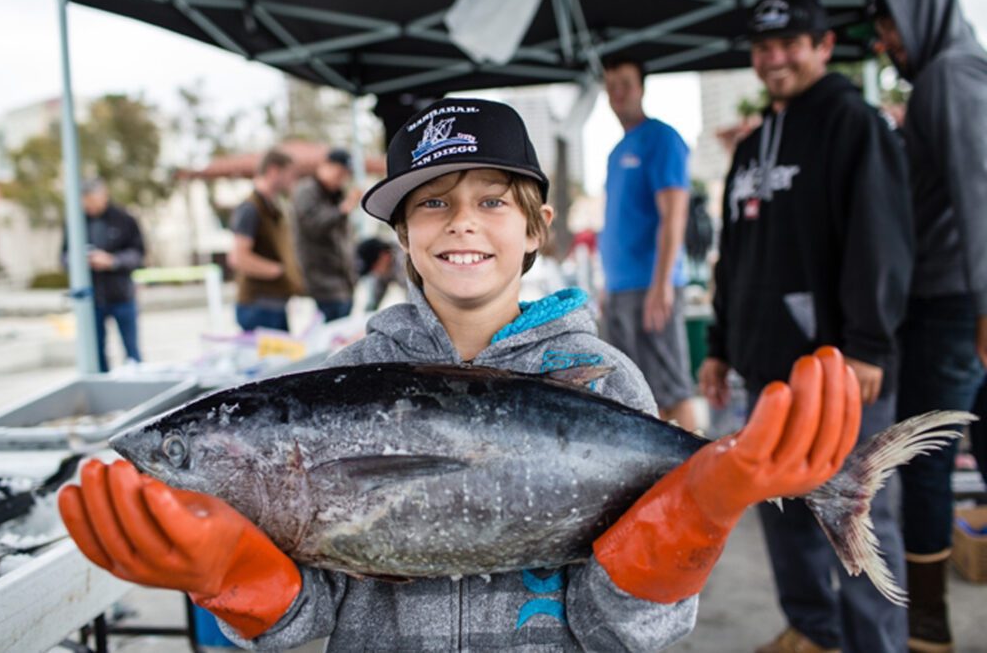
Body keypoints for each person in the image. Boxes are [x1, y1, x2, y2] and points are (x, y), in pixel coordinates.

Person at [58, 98, 860, 652]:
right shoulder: (345, 377)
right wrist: (234, 578)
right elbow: (308, 622)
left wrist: (694, 514)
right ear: (402, 236)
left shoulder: (600, 375)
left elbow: (625, 630)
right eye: (432, 205)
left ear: (539, 227)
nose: (463, 221)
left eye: (492, 200)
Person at [698, 0, 914, 653]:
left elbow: (881, 239)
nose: (775, 58)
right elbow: (734, 256)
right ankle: (814, 632)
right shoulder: (755, 142)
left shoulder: (855, 124)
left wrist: (869, 343)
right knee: (783, 508)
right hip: (767, 371)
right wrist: (719, 346)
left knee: (855, 518)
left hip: (844, 372)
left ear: (823, 46)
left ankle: (875, 644)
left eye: (790, 43)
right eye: (763, 48)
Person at [867, 0, 987, 650]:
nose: (886, 42)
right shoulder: (965, 69)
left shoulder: (950, 76)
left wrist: (983, 304)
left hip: (952, 305)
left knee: (926, 462)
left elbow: (977, 190)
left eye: (890, 25)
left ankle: (929, 630)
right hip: (962, 299)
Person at [599, 55, 698, 432]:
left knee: (672, 390)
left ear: (641, 87)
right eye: (610, 85)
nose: (617, 93)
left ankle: (700, 485)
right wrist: (607, 286)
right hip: (620, 290)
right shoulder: (615, 152)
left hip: (652, 287)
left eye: (624, 83)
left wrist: (661, 284)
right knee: (635, 396)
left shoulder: (662, 139)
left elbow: (674, 214)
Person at [62, 178, 145, 372]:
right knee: (96, 352)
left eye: (92, 200)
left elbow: (138, 254)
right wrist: (78, 261)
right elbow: (63, 256)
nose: (89, 206)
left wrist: (112, 261)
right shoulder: (75, 223)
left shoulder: (124, 219)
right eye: (85, 201)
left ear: (103, 195)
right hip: (91, 299)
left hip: (122, 296)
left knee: (132, 350)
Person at [227, 148, 306, 332]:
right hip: (258, 305)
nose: (292, 180)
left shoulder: (274, 207)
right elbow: (238, 258)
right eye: (289, 173)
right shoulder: (251, 208)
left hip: (275, 303)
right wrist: (278, 271)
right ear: (273, 171)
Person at [292, 148, 362, 322]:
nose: (342, 180)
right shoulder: (307, 191)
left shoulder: (336, 195)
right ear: (325, 167)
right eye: (339, 174)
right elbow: (313, 226)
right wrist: (343, 209)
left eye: (345, 175)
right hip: (321, 283)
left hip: (342, 283)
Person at [355, 236, 405, 312]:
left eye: (374, 267)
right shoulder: (384, 270)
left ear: (384, 256)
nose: (375, 272)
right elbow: (375, 300)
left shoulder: (404, 261)